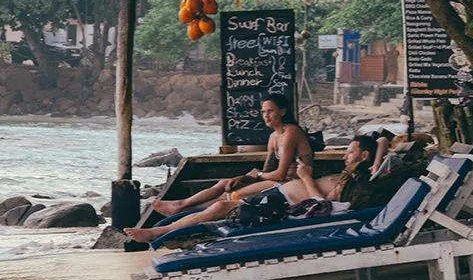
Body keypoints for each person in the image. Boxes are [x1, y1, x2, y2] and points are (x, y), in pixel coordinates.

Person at [126, 133, 377, 245]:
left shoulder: (357, 182)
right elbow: (382, 141)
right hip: (279, 197)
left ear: (364, 156)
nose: (345, 156)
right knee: (222, 202)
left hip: (283, 208)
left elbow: (324, 206)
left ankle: (160, 232)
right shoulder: (350, 175)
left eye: (351, 152)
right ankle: (168, 223)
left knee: (222, 206)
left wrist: (306, 177)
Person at [148, 94, 313, 221]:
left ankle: (183, 212)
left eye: (271, 111)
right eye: (263, 112)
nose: (266, 116)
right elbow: (267, 170)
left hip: (291, 183)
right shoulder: (273, 137)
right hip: (275, 180)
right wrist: (246, 177)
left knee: (229, 195)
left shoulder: (291, 132)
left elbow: (280, 174)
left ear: (283, 111)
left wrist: (257, 175)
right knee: (224, 183)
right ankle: (181, 204)